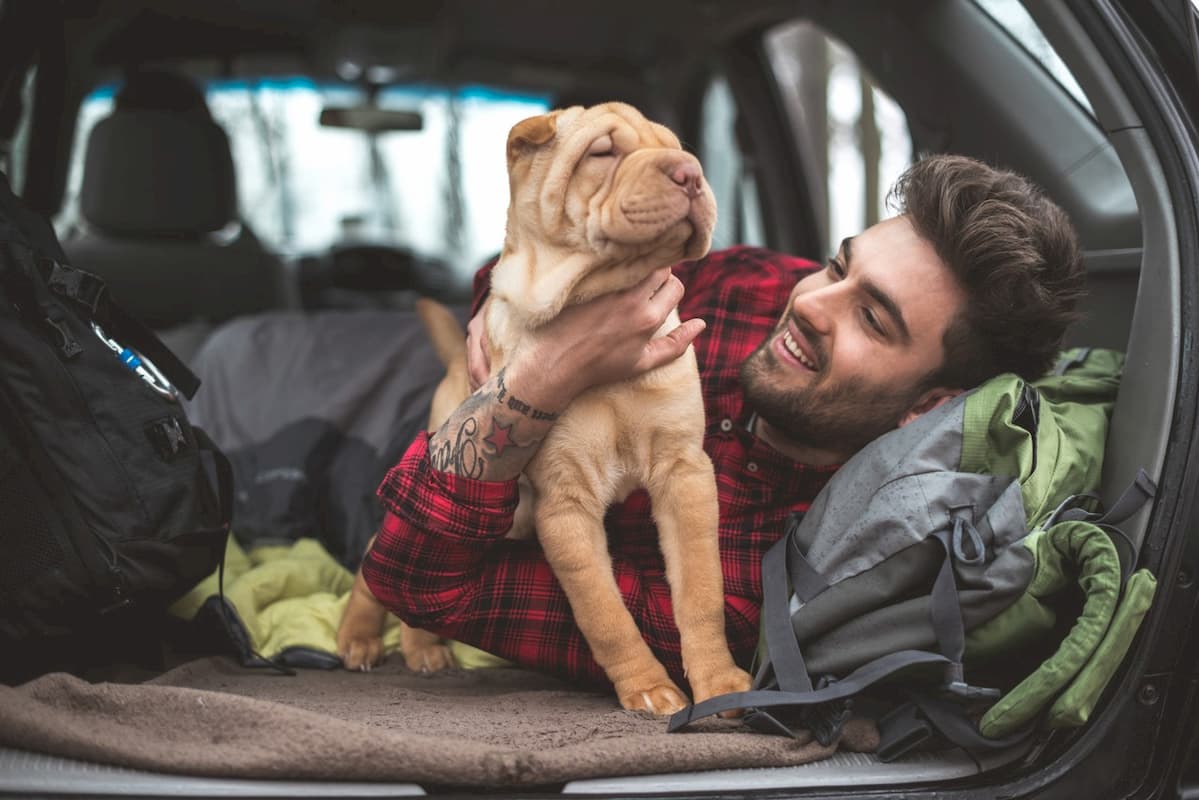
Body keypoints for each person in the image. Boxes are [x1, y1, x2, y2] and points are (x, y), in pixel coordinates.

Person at [361, 154, 1087, 688]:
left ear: (927, 408)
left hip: (446, 493)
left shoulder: (759, 588)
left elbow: (417, 577)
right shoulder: (750, 284)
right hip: (437, 417)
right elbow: (524, 272)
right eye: (838, 268)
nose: (809, 302)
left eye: (871, 318)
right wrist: (506, 324)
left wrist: (541, 378)